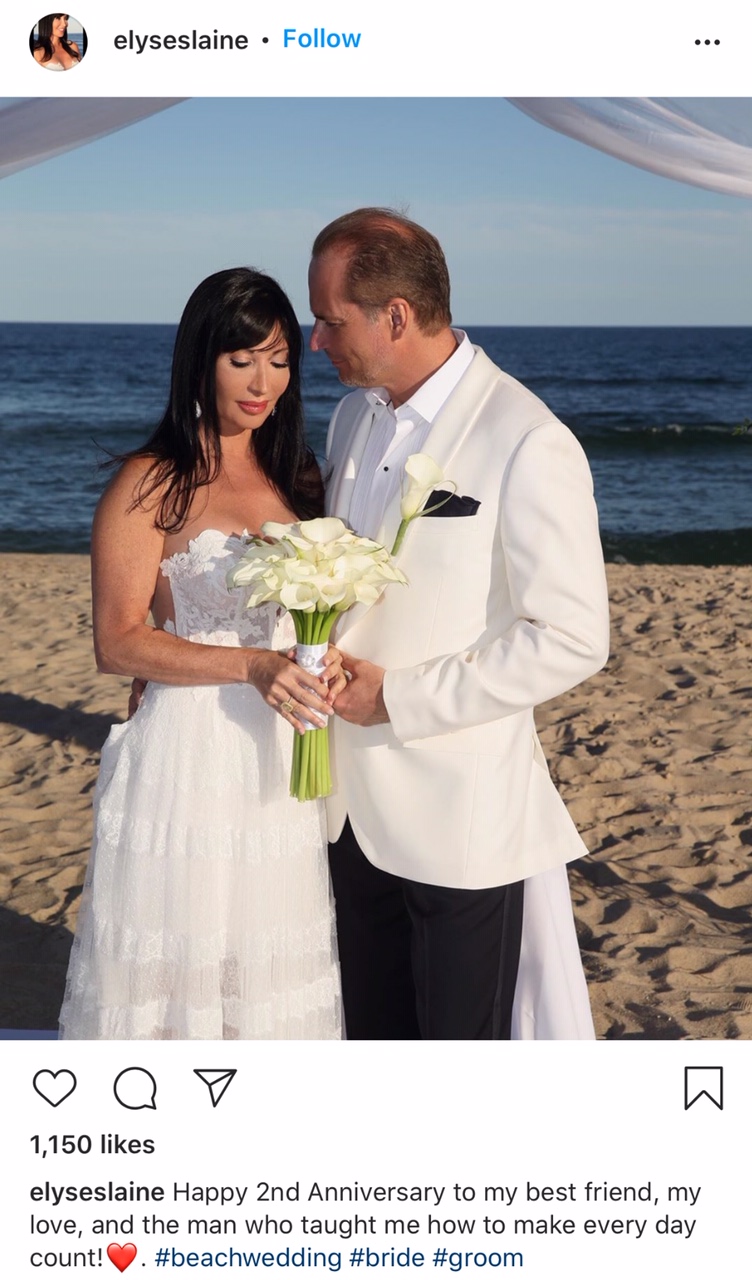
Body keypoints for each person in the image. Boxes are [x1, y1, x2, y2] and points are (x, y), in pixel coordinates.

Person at [308, 208, 611, 1040]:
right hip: (342, 811)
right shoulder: (350, 418)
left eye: (330, 319)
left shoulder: (527, 437)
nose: (314, 341)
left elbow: (574, 636)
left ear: (395, 316)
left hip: (459, 820)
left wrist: (401, 700)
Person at [59, 268, 344, 1039]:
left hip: (279, 758)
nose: (263, 382)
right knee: (176, 973)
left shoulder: (299, 478)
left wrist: (327, 655)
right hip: (186, 756)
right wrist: (251, 666)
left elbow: (311, 619)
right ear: (201, 360)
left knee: (263, 971)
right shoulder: (150, 482)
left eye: (280, 359)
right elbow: (118, 642)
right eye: (241, 358)